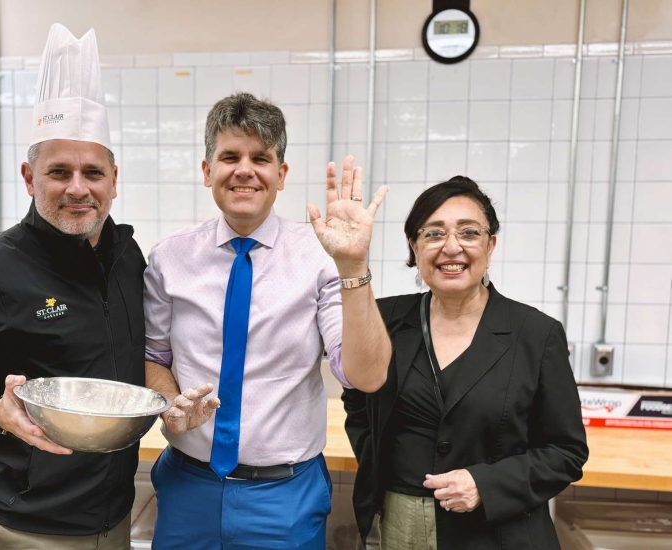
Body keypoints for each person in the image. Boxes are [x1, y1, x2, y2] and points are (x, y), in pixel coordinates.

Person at [0, 24, 143, 550]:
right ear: (29, 176)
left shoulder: (127, 257)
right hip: (28, 527)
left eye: (92, 172)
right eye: (59, 171)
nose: (78, 188)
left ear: (114, 178)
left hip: (114, 516)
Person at [143, 92, 391, 550]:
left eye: (261, 158)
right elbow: (154, 356)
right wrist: (170, 404)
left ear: (281, 175)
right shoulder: (169, 258)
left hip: (285, 497)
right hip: (187, 489)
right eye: (229, 156)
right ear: (207, 171)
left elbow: (367, 375)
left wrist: (354, 265)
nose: (244, 169)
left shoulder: (320, 256)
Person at [342, 176, 589, 550]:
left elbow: (566, 453)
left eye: (469, 233)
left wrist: (486, 485)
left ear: (490, 246)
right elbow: (357, 400)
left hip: (497, 534)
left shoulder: (536, 335)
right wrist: (386, 468)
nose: (451, 247)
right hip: (396, 527)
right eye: (434, 233)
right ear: (415, 245)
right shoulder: (383, 317)